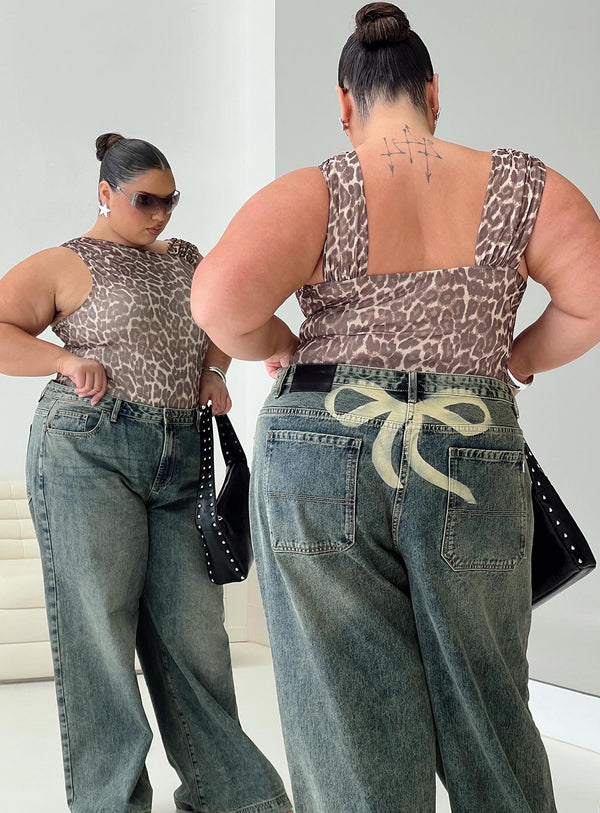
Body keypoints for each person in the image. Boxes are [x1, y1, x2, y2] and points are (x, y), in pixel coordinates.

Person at [190, 4, 600, 811]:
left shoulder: (317, 190)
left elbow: (216, 303)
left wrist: (278, 337)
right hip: (468, 440)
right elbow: (589, 302)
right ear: (432, 92)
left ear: (345, 103)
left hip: (322, 440)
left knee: (347, 705)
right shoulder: (527, 187)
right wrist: (517, 357)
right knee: (487, 693)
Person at [0, 133, 291, 813]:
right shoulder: (67, 262)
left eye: (170, 201)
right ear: (106, 193)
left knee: (196, 635)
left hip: (182, 450)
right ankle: (111, 802)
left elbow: (222, 317)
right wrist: (63, 361)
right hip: (88, 450)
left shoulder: (187, 257)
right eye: (145, 201)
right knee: (99, 632)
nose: (160, 214)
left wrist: (214, 370)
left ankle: (233, 797)